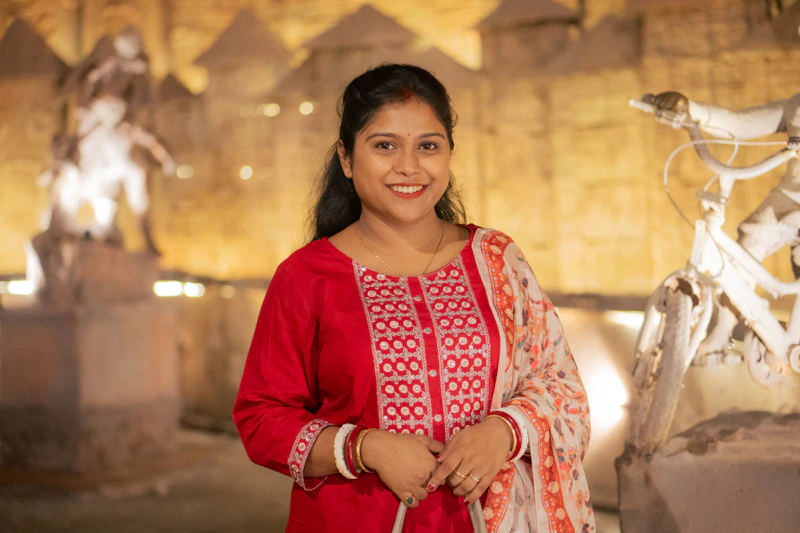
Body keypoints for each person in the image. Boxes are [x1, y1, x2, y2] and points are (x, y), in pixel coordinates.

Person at [233, 64, 594, 533]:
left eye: (428, 145)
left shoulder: (498, 260)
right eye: (385, 145)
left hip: (490, 519)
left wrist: (504, 431)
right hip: (356, 519)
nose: (409, 166)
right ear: (346, 158)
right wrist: (364, 448)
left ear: (448, 155)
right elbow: (261, 419)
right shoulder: (306, 277)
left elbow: (561, 386)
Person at [649, 91, 800, 360]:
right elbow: (739, 124)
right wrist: (689, 109)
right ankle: (723, 332)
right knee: (746, 248)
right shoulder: (796, 106)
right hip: (790, 198)